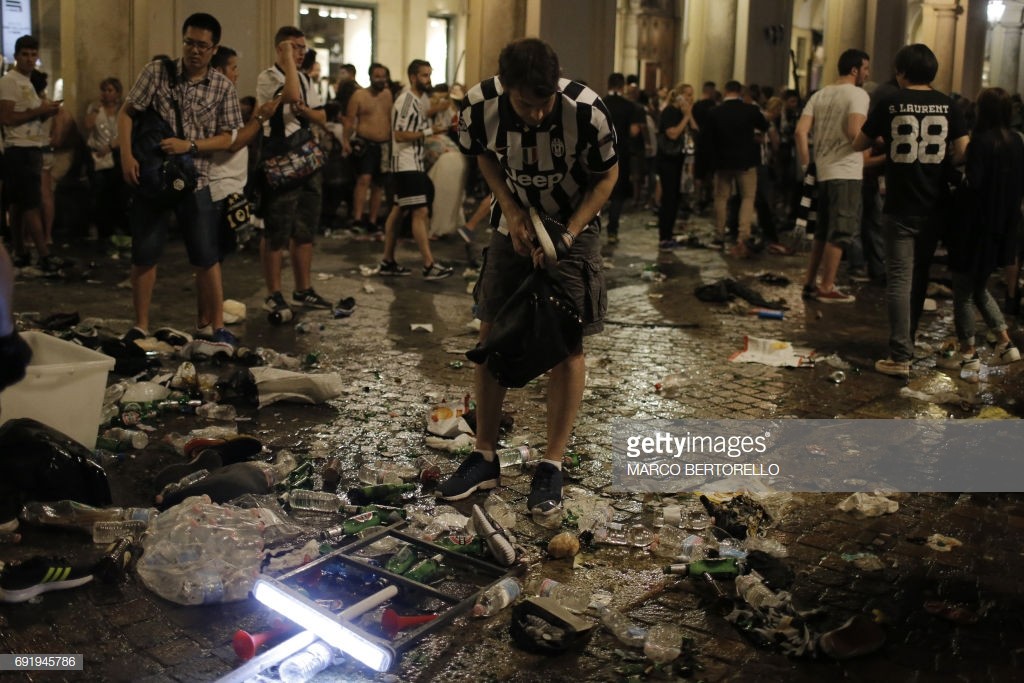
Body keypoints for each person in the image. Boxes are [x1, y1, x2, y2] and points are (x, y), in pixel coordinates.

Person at [438, 38, 618, 516]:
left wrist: (569, 233)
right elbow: (485, 158)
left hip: (574, 224)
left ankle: (552, 464)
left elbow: (607, 176)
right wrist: (514, 212)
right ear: (506, 88)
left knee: (567, 340)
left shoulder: (587, 110)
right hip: (509, 224)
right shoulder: (478, 106)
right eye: (524, 105)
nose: (536, 115)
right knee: (492, 331)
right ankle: (484, 454)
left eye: (544, 104)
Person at [118, 13, 242, 346]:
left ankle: (215, 326)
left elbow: (229, 137)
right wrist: (126, 155)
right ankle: (141, 324)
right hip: (154, 177)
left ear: (213, 49)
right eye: (189, 42)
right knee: (144, 253)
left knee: (206, 256)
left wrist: (191, 145)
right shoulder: (157, 72)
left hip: (196, 179)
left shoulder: (222, 87)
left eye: (202, 45)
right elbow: (127, 113)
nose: (194, 51)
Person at [853, 44, 969, 378]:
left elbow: (858, 144)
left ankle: (900, 353)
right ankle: (911, 340)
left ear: (902, 71)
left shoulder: (890, 101)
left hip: (900, 203)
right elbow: (962, 152)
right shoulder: (949, 105)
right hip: (935, 204)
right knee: (920, 276)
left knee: (900, 279)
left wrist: (886, 142)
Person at [938, 87, 1021, 371]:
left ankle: (969, 353)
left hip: (974, 228)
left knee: (962, 292)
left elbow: (972, 184)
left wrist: (950, 174)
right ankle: (1005, 343)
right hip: (1002, 227)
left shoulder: (981, 143)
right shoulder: (1017, 142)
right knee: (979, 288)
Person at [257, 26, 333, 318]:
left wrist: (304, 110)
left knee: (305, 228)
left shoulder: (303, 76)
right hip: (279, 162)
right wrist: (288, 61)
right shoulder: (269, 77)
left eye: (302, 48)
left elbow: (321, 115)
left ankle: (303, 288)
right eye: (295, 47)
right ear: (281, 49)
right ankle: (273, 293)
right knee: (276, 229)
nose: (301, 53)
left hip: (306, 161)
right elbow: (289, 95)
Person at [795, 49, 871, 302]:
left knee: (821, 231)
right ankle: (827, 286)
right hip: (846, 170)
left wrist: (807, 163)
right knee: (840, 231)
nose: (867, 74)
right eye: (866, 69)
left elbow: (800, 132)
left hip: (823, 170)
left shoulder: (820, 94)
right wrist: (876, 143)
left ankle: (809, 282)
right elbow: (854, 131)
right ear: (854, 70)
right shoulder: (858, 94)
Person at [377, 59, 453, 280]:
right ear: (413, 77)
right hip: (406, 163)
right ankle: (429, 265)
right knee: (420, 211)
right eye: (424, 75)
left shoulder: (419, 100)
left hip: (412, 162)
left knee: (398, 210)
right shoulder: (407, 100)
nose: (428, 79)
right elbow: (400, 134)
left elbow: (422, 117)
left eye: (429, 75)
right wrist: (429, 132)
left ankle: (387, 260)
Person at [0, 35, 64, 272]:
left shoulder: (27, 82)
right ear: (16, 56)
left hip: (29, 148)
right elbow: (6, 117)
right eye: (24, 54)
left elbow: (26, 114)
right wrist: (39, 110)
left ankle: (20, 252)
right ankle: (44, 255)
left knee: (17, 204)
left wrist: (46, 112)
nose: (29, 59)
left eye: (33, 54)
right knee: (31, 204)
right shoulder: (9, 81)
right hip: (20, 149)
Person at [705, 80, 768, 258]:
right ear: (740, 92)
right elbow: (764, 125)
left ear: (725, 91)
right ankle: (743, 236)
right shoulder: (750, 110)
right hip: (746, 161)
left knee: (721, 198)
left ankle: (719, 236)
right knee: (748, 197)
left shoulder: (715, 112)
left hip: (722, 162)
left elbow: (708, 139)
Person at [343, 63, 393, 232]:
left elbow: (391, 118)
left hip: (384, 145)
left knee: (379, 184)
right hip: (365, 143)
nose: (380, 79)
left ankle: (372, 220)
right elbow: (349, 120)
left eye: (383, 76)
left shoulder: (388, 95)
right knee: (363, 180)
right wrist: (345, 141)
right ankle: (357, 218)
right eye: (377, 76)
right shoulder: (359, 95)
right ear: (370, 77)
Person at [84, 77, 128, 246]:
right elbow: (88, 126)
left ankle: (118, 228)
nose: (106, 94)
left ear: (117, 93)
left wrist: (111, 146)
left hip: (115, 154)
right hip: (97, 156)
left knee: (117, 193)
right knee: (100, 194)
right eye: (104, 90)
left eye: (110, 90)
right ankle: (104, 231)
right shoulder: (96, 108)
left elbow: (124, 133)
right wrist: (95, 109)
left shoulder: (122, 110)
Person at [602, 72, 644, 245]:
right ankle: (612, 231)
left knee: (597, 189)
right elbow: (634, 131)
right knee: (618, 194)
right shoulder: (630, 106)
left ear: (608, 85)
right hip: (621, 153)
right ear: (623, 86)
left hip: (601, 152)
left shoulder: (601, 103)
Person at [655, 85, 691, 250]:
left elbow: (696, 129)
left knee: (675, 198)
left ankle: (668, 234)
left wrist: (688, 115)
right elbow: (673, 133)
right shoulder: (670, 112)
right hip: (668, 161)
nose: (691, 99)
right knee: (669, 199)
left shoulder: (681, 113)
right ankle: (664, 237)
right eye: (688, 95)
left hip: (678, 161)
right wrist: (687, 117)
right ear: (679, 97)